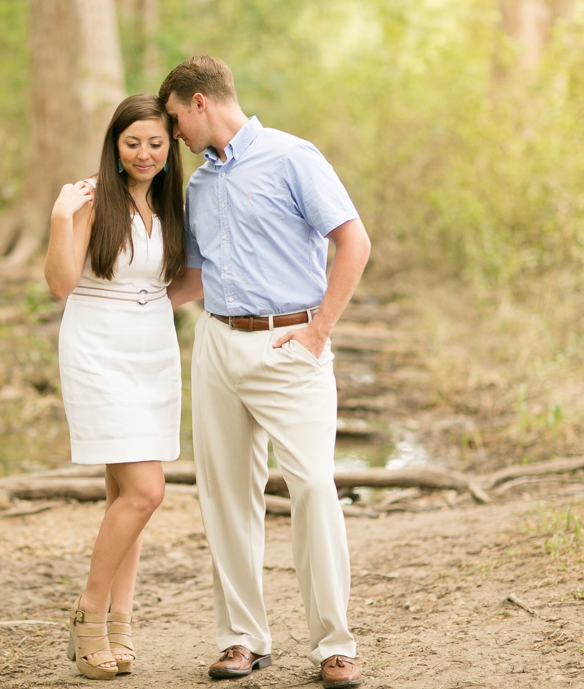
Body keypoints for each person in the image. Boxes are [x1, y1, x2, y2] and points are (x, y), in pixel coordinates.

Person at [160, 56, 371, 689]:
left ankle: (334, 644)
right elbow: (196, 280)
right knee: (225, 497)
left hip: (292, 346)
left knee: (311, 488)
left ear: (200, 103)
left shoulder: (291, 157)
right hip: (219, 345)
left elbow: (353, 241)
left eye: (174, 119)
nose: (173, 135)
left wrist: (317, 333)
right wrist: (126, 299)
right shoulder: (199, 185)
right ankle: (242, 640)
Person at [44, 93, 186, 681]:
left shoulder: (171, 207)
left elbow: (180, 282)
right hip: (98, 350)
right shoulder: (89, 201)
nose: (145, 154)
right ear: (115, 146)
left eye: (156, 143)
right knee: (145, 492)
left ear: (170, 146)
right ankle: (88, 615)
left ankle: (121, 624)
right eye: (133, 143)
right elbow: (59, 284)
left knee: (123, 499)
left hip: (153, 350)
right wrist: (59, 218)